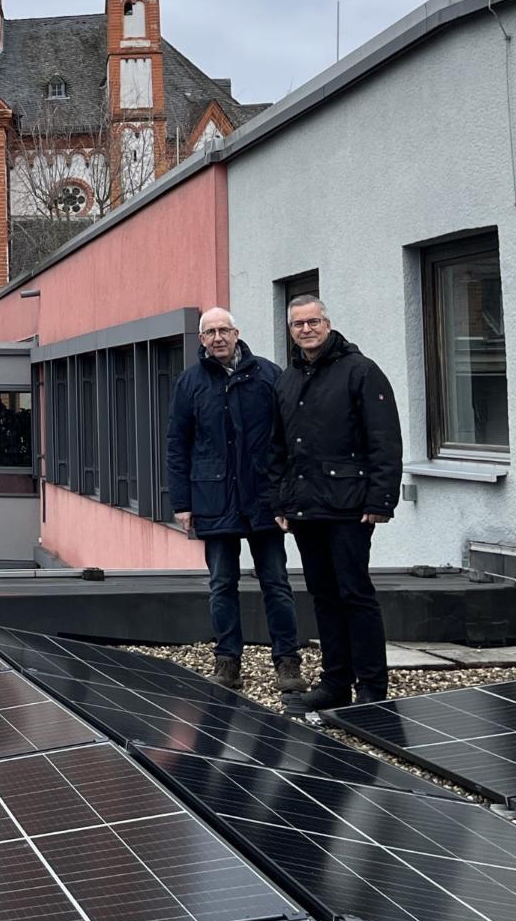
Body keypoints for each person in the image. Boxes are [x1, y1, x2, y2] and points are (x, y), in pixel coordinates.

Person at [269, 294, 403, 711]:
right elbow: (278, 448)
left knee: (355, 594)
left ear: (327, 323)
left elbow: (384, 440)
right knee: (323, 596)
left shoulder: (360, 371)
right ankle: (335, 683)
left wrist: (381, 499)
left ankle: (371, 688)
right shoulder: (288, 379)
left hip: (350, 506)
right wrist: (281, 502)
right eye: (298, 324)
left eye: (313, 322)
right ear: (290, 330)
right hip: (306, 509)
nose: (306, 330)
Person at [168, 308, 303, 693]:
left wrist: (287, 498)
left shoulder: (267, 375)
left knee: (276, 582)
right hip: (213, 498)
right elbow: (177, 444)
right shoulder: (190, 382)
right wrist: (182, 502)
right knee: (221, 584)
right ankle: (227, 662)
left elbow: (286, 440)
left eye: (223, 329)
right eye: (209, 332)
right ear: (201, 339)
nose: (217, 338)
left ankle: (288, 662)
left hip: (263, 498)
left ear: (236, 332)